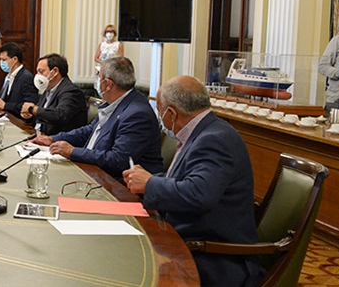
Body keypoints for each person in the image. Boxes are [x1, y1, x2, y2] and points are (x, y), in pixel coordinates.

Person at [123, 76, 265, 287]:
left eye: (160, 111)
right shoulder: (203, 132)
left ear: (170, 113)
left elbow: (199, 194)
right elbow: (186, 181)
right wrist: (150, 180)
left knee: (131, 267)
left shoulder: (215, 139)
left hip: (215, 258)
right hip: (191, 240)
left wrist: (151, 183)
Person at [31, 57, 163, 178]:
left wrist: (73, 152)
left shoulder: (137, 114)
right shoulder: (115, 102)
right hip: (93, 171)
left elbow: (118, 160)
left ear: (108, 84)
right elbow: (89, 130)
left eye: (98, 78)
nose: (97, 82)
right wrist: (53, 139)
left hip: (116, 184)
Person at [19, 53, 87, 135]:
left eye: (41, 72)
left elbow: (60, 115)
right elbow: (42, 115)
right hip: (39, 135)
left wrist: (32, 109)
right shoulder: (48, 89)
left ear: (55, 72)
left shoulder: (72, 92)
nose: (38, 75)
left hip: (58, 141)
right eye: (37, 72)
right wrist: (29, 115)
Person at [0, 42, 39, 116]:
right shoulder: (9, 76)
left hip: (19, 120)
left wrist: (5, 105)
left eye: (4, 60)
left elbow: (29, 106)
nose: (1, 63)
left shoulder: (26, 77)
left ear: (15, 59)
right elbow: (5, 99)